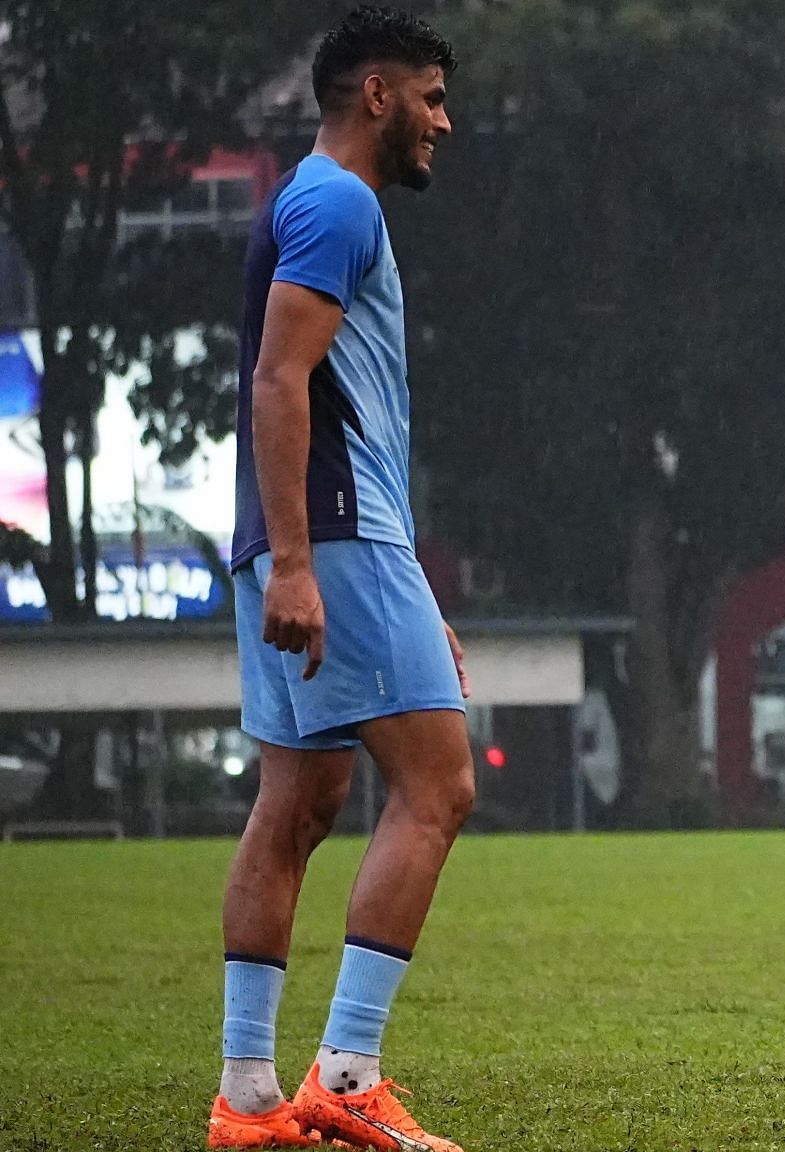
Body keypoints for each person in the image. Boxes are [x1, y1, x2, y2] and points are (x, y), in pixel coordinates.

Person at [209, 8, 476, 1149]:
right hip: (328, 539)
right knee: (439, 787)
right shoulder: (338, 201)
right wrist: (311, 566)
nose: (443, 120)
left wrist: (372, 576)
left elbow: (331, 409)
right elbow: (281, 383)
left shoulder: (309, 200)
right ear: (377, 94)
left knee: (301, 801)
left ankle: (249, 1097)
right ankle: (350, 1074)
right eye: (430, 95)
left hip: (311, 541)